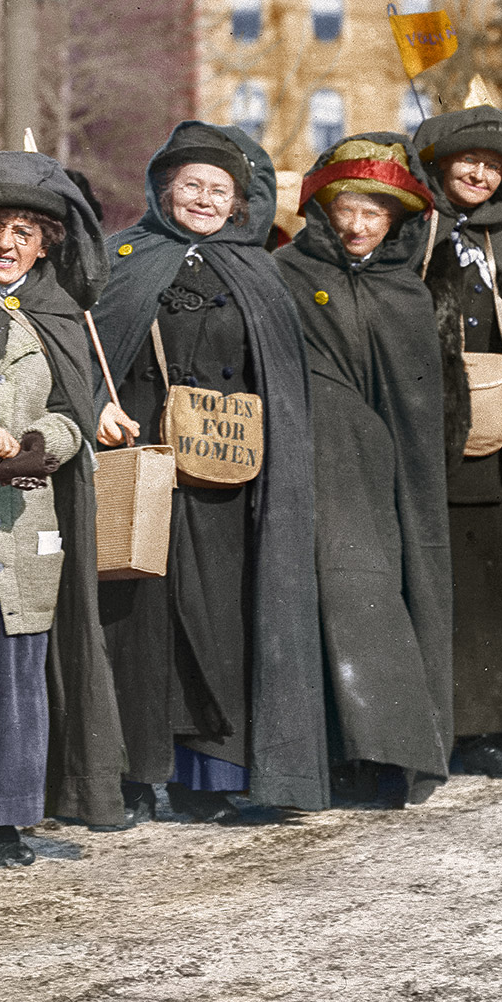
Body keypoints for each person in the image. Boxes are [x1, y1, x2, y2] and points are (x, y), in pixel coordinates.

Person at [88, 122, 328, 823]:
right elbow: (89, 352)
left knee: (223, 620)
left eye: (218, 189)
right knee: (139, 619)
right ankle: (133, 772)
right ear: (163, 190)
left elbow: (280, 379)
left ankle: (212, 776)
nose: (202, 198)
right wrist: (103, 405)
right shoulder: (121, 261)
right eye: (190, 184)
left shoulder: (259, 273)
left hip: (227, 474)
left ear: (237, 202)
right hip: (145, 464)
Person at [0, 151, 135, 858]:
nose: (7, 243)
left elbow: (75, 410)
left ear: (46, 243)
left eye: (24, 231)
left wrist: (46, 438)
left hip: (28, 515)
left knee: (12, 670)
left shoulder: (60, 315)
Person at [272, 133, 454, 806]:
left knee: (391, 592)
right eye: (347, 207)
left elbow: (418, 397)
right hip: (319, 465)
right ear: (324, 208)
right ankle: (341, 754)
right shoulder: (288, 274)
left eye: (375, 213)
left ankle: (393, 755)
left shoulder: (404, 288)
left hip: (394, 474)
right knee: (340, 594)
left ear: (396, 221)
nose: (357, 224)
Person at [414, 104, 502, 779]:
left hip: (495, 429)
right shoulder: (420, 228)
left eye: (491, 165)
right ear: (440, 164)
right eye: (467, 160)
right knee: (455, 584)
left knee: (497, 580)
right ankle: (462, 727)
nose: (477, 172)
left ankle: (500, 717)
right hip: (437, 429)